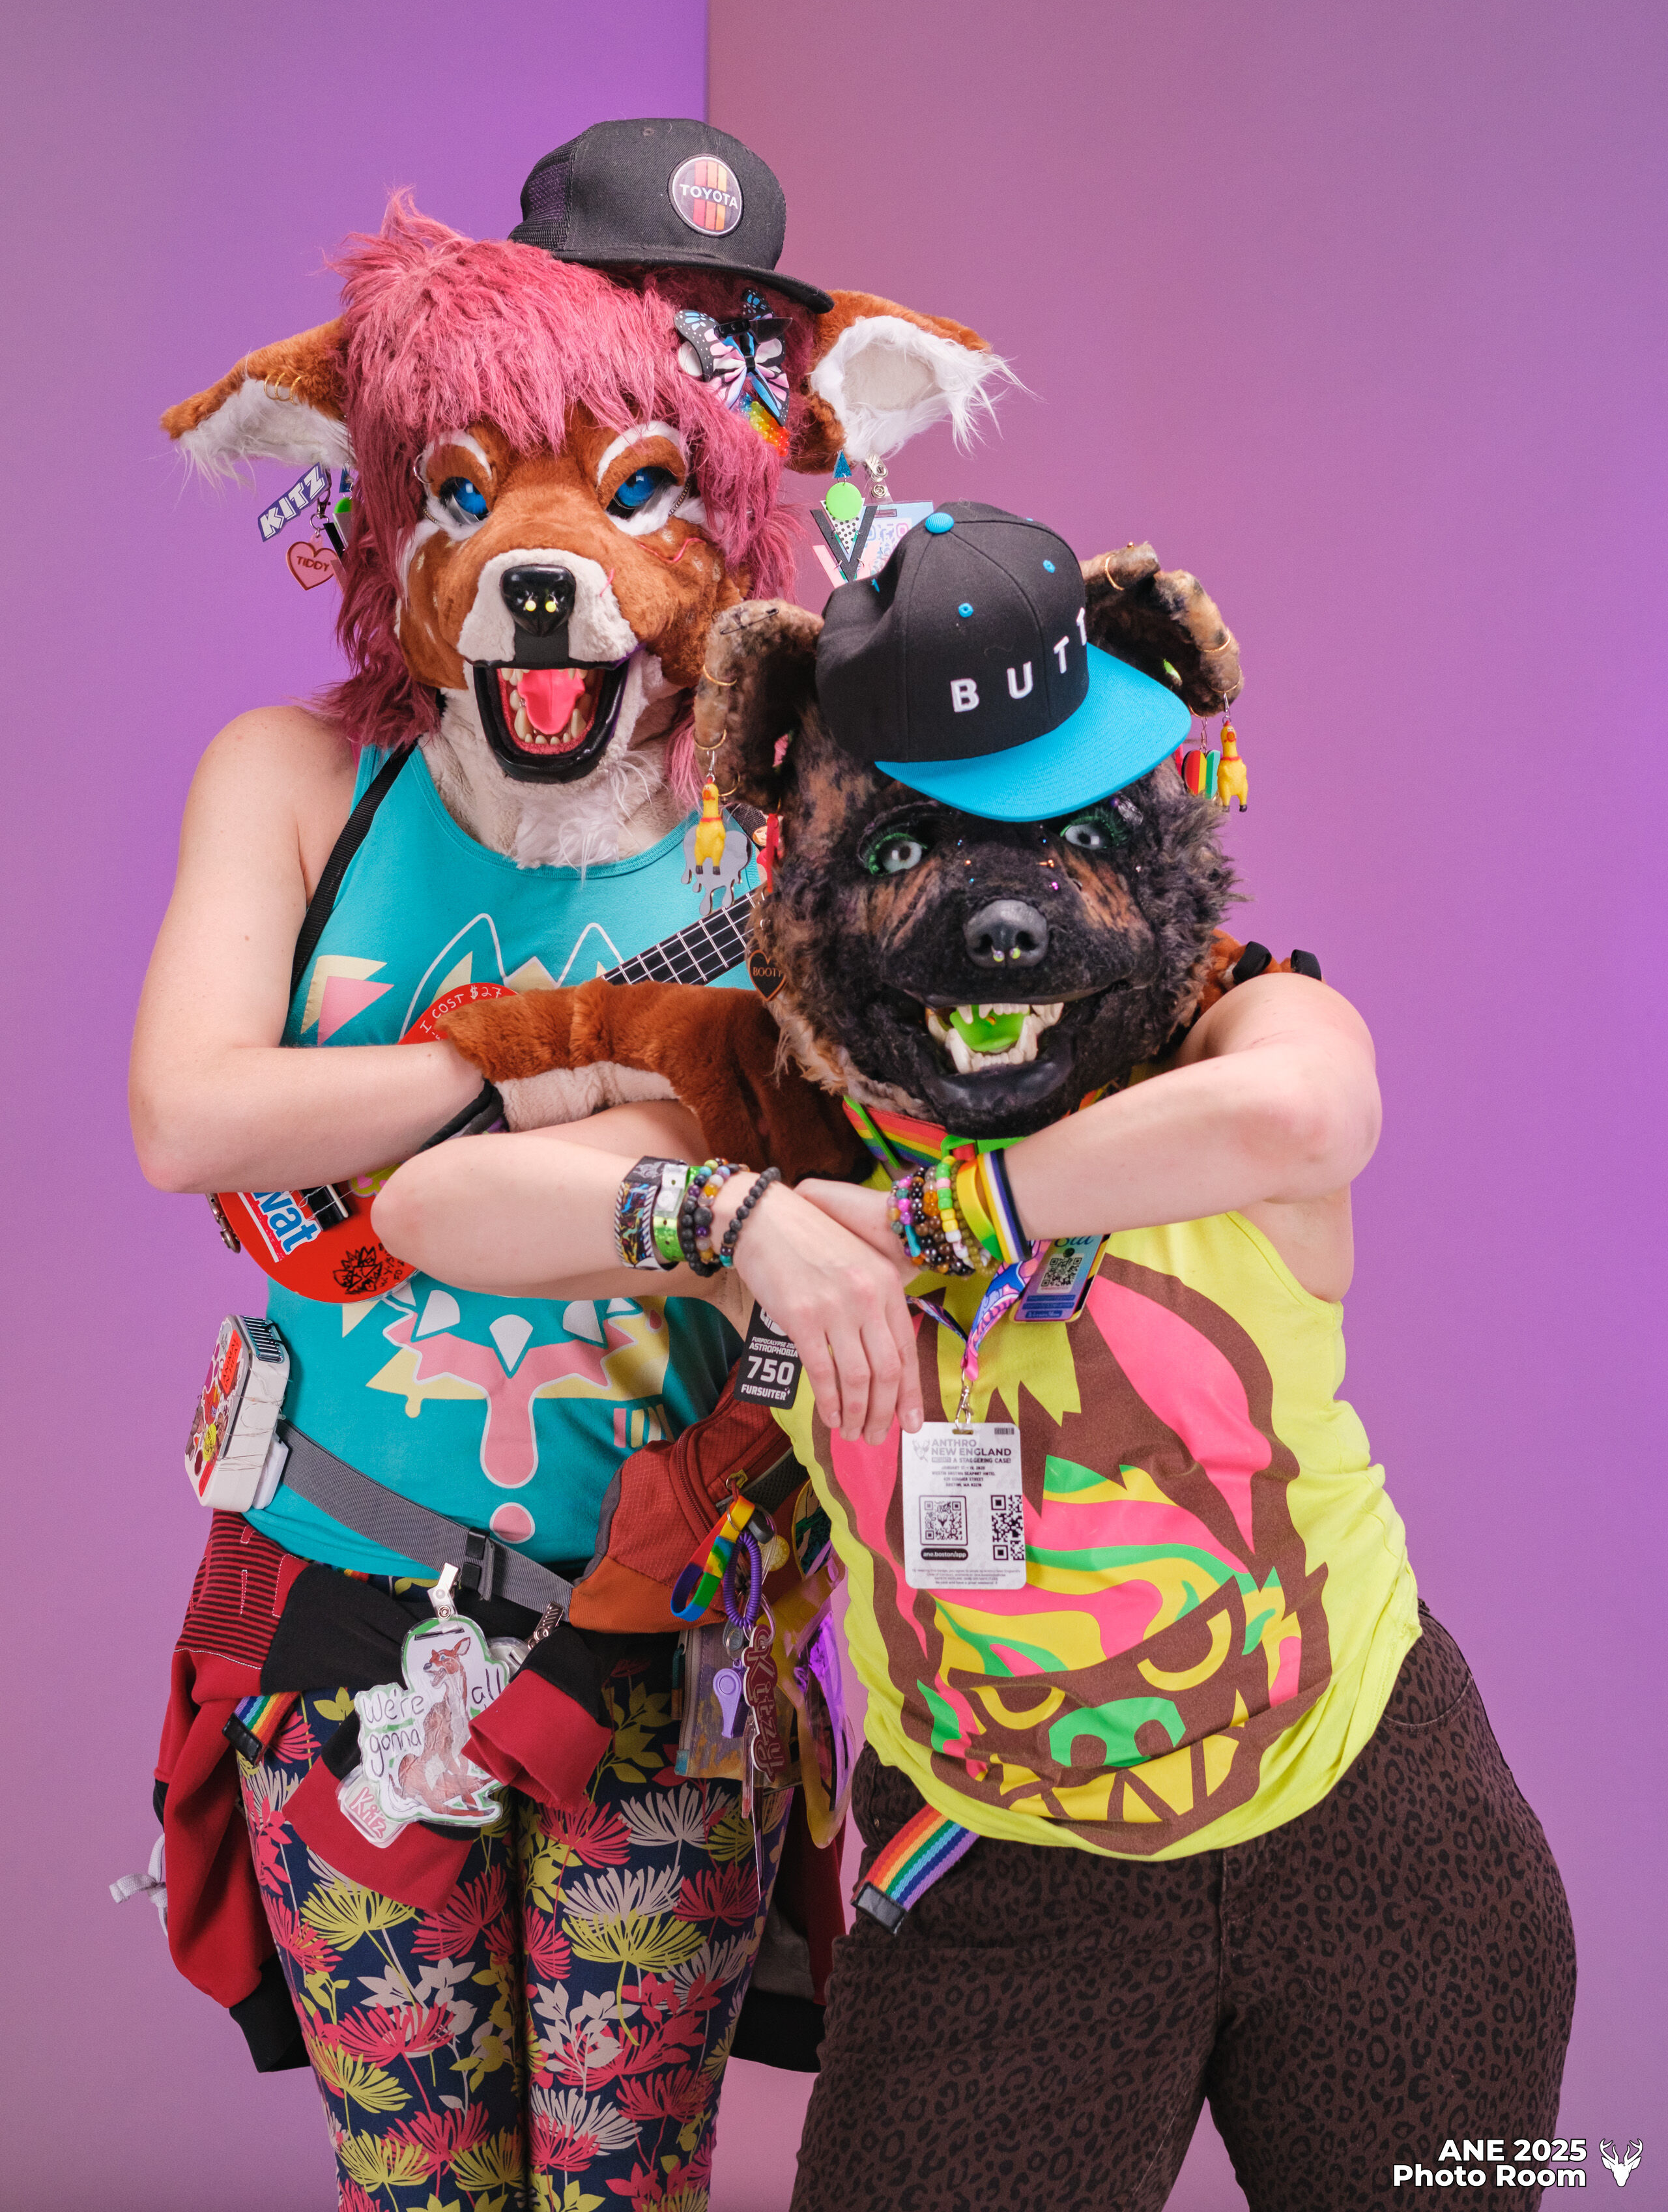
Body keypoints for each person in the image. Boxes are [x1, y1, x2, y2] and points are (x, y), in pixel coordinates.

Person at [370, 508, 1577, 2212]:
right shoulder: (785, 1130)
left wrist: (953, 1214)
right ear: (800, 858)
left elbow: (1316, 1111)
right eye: (907, 849)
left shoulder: (1227, 1033)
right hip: (1005, 1887)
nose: (1004, 923)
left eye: (1067, 838)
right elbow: (429, 1209)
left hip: (1382, 1838)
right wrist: (738, 1221)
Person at [130, 125, 1003, 2212]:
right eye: (476, 478)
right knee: (418, 2190)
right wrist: (528, 1082)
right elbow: (190, 1119)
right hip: (341, 1601)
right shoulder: (302, 777)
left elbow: (836, 1162)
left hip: (667, 1622)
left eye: (640, 479)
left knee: (631, 2188)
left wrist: (556, 1135)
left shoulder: (795, 821)